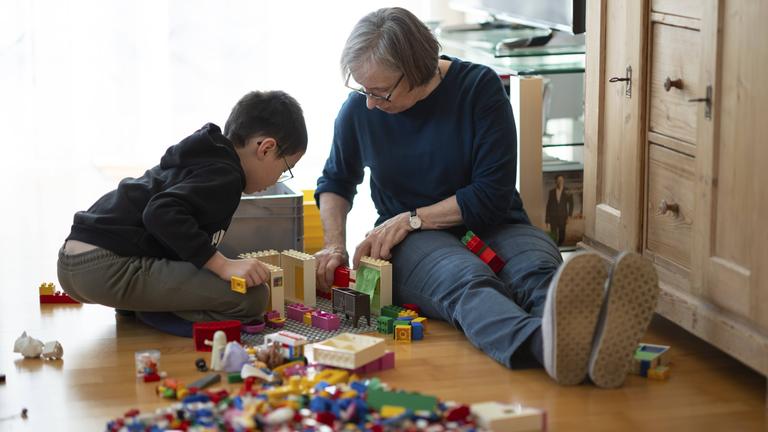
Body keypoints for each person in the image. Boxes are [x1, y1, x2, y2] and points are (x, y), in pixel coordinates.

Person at [313, 7, 658, 388]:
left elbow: (490, 195)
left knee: (535, 268)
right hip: (411, 241)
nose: (370, 103)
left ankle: (587, 342)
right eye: (362, 90)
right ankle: (551, 346)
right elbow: (335, 182)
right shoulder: (360, 112)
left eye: (380, 91)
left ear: (414, 69)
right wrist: (334, 244)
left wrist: (413, 216)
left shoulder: (479, 88)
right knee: (467, 281)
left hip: (492, 220)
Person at [57, 90, 307, 337]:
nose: (280, 178)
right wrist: (221, 264)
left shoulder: (206, 157)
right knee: (253, 298)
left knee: (204, 267)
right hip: (103, 267)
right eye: (286, 167)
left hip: (76, 261)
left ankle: (142, 306)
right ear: (265, 148)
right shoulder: (226, 176)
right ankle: (155, 313)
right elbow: (160, 212)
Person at [545, 174, 574, 245]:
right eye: (558, 180)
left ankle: (560, 247)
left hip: (563, 217)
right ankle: (554, 248)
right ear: (556, 182)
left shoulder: (567, 191)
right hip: (553, 217)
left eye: (561, 180)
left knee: (562, 235)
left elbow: (571, 204)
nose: (560, 182)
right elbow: (548, 205)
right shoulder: (551, 192)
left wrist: (569, 216)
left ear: (563, 181)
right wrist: (547, 219)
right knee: (553, 235)